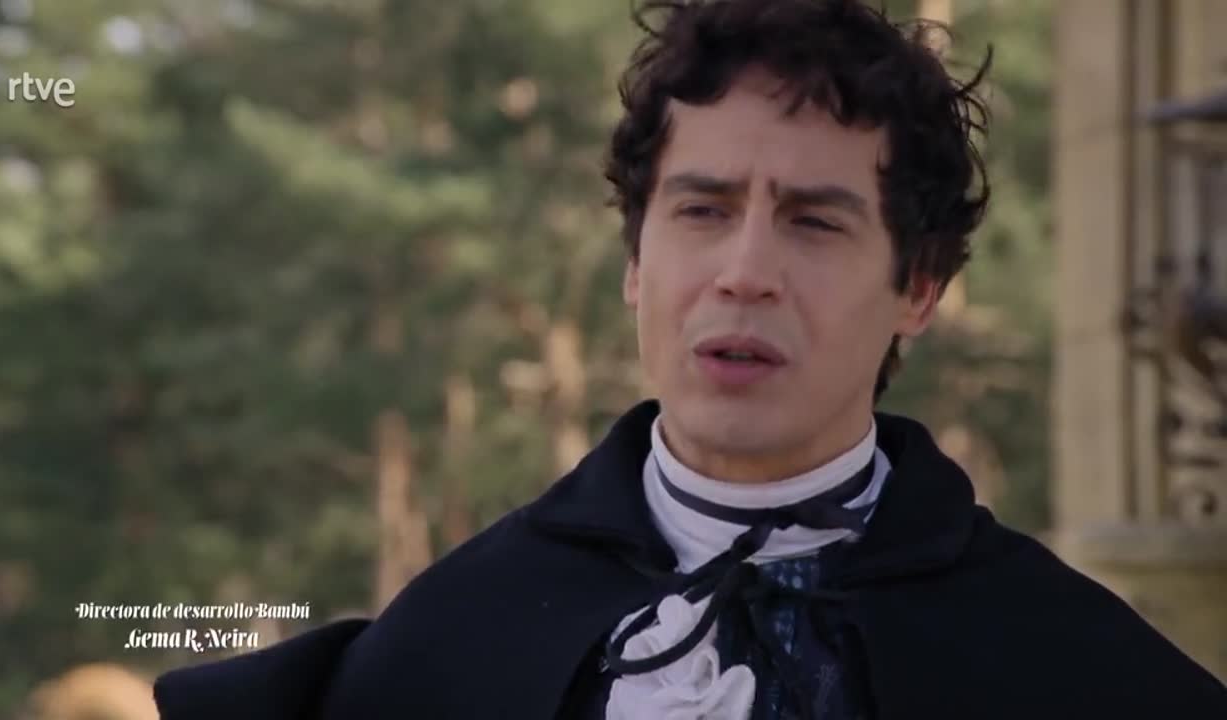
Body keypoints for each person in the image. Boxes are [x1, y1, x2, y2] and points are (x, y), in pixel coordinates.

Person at [153, 0, 1227, 718]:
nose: (743, 273)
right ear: (636, 263)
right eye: (702, 210)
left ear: (919, 288)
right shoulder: (453, 640)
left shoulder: (1062, 664)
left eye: (814, 222)